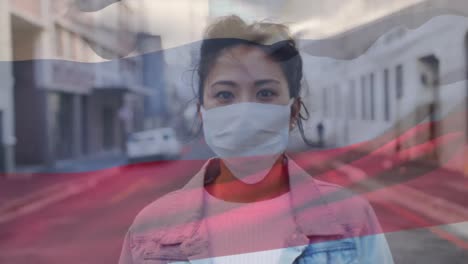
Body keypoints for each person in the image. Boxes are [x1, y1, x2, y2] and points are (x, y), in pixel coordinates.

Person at [119, 15, 394, 264]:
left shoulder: (352, 220)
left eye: (265, 93)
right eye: (225, 95)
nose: (244, 114)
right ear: (202, 112)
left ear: (293, 111)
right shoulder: (149, 231)